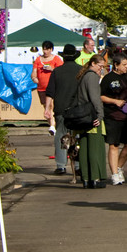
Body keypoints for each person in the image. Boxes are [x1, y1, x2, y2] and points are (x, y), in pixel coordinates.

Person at [100, 51, 127, 185]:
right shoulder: (108, 79)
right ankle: (114, 173)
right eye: (124, 64)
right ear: (116, 65)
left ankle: (119, 166)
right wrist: (114, 101)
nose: (126, 67)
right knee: (114, 144)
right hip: (113, 115)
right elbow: (101, 96)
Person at [44, 44, 82, 176]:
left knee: (61, 135)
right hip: (77, 109)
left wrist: (47, 108)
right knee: (76, 136)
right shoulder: (81, 70)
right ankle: (77, 165)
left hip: (61, 108)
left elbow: (50, 92)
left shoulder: (57, 71)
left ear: (64, 57)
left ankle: (61, 165)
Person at [75, 54, 107, 188]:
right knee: (96, 147)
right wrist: (100, 115)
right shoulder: (93, 77)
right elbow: (95, 98)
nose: (101, 70)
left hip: (82, 117)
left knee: (84, 147)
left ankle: (86, 178)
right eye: (100, 66)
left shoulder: (83, 76)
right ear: (93, 64)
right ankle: (95, 177)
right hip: (92, 116)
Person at [32, 41, 62, 135]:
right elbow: (34, 72)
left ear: (51, 49)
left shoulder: (56, 59)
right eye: (44, 49)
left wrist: (52, 69)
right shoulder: (38, 60)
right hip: (41, 87)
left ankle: (52, 126)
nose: (45, 51)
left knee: (51, 105)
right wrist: (34, 78)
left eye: (47, 49)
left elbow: (61, 71)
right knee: (45, 106)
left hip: (53, 86)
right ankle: (52, 125)